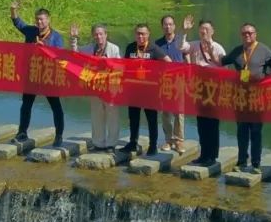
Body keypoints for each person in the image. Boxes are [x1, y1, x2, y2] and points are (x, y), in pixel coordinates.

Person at [221, 22, 271, 173]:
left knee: (256, 131)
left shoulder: (263, 49)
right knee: (242, 131)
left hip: (257, 97)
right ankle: (242, 160)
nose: (247, 35)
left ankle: (256, 163)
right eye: (244, 33)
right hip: (241, 97)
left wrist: (264, 77)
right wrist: (208, 48)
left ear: (255, 34)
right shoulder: (238, 51)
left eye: (250, 33)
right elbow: (223, 61)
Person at [11, 0, 65, 147]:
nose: (39, 22)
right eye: (37, 19)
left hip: (48, 75)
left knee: (56, 106)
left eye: (41, 19)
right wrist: (13, 10)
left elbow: (60, 56)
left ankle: (59, 135)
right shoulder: (31, 31)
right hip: (32, 74)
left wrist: (45, 47)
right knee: (26, 104)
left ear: (48, 20)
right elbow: (18, 23)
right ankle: (22, 132)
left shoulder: (56, 37)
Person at [180, 16, 227, 167]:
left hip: (213, 90)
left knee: (212, 124)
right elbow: (181, 47)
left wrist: (212, 56)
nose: (204, 32)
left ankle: (212, 156)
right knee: (201, 124)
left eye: (207, 29)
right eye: (202, 30)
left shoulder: (218, 48)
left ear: (212, 31)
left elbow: (224, 69)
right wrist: (184, 31)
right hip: (199, 89)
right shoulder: (194, 45)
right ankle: (203, 154)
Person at [121, 23, 171, 156]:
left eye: (143, 34)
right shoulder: (131, 47)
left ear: (148, 34)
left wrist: (160, 76)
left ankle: (153, 145)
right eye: (138, 33)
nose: (140, 36)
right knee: (133, 118)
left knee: (151, 119)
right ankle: (133, 142)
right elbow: (125, 66)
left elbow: (168, 62)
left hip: (150, 91)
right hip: (134, 89)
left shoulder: (154, 48)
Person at [70, 23, 122, 151]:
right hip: (96, 88)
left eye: (101, 34)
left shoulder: (114, 49)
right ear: (93, 36)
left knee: (112, 116)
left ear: (106, 35)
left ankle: (111, 143)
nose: (98, 37)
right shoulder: (90, 48)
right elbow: (75, 54)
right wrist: (74, 39)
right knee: (96, 115)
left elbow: (121, 68)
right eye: (96, 34)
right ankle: (98, 143)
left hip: (111, 87)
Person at [155, 14, 186, 154]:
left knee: (179, 111)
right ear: (162, 26)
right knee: (166, 112)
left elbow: (188, 58)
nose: (168, 27)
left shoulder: (180, 41)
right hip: (165, 81)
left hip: (179, 80)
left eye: (170, 24)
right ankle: (168, 140)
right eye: (165, 24)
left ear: (174, 26)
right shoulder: (157, 44)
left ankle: (179, 140)